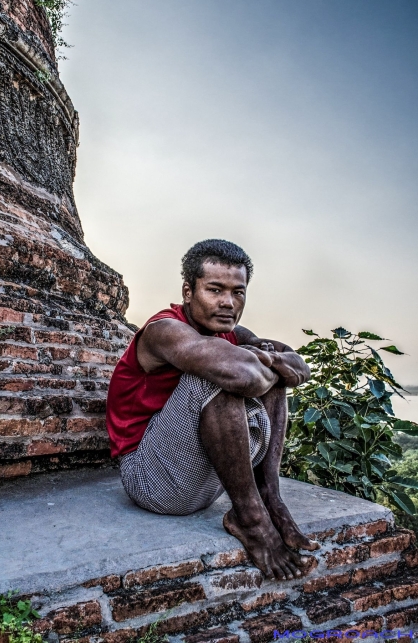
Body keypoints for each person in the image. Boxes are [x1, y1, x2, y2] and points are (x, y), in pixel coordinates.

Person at [106, 239, 319, 580]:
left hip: (205, 480)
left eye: (238, 292)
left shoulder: (232, 334)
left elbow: (299, 368)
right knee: (214, 376)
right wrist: (267, 362)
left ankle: (268, 498)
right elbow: (239, 374)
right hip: (151, 480)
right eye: (215, 290)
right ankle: (250, 518)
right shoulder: (165, 330)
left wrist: (270, 359)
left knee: (269, 376)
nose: (228, 303)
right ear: (188, 292)